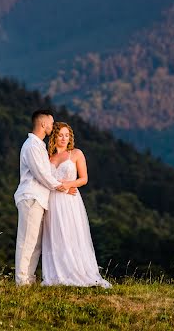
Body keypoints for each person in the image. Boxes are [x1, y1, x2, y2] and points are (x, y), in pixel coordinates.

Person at [41, 121, 111, 287]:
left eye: (67, 135)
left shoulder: (76, 154)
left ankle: (77, 271)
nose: (64, 138)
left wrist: (67, 185)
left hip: (70, 200)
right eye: (60, 135)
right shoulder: (48, 156)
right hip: (52, 201)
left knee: (71, 234)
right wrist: (59, 187)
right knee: (55, 236)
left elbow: (84, 179)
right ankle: (58, 273)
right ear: (54, 137)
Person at [14, 109, 76, 286]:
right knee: (27, 240)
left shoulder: (39, 145)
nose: (52, 126)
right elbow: (41, 174)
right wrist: (63, 187)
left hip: (39, 199)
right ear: (43, 124)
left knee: (36, 243)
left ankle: (29, 278)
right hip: (31, 197)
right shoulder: (32, 146)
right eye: (51, 122)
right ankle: (21, 280)